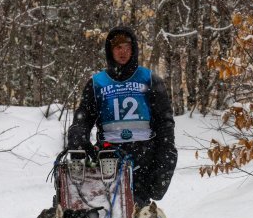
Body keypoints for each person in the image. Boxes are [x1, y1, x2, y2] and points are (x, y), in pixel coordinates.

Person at [68, 26, 178, 206]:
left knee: (136, 211)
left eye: (127, 47)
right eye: (118, 47)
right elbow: (83, 118)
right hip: (108, 157)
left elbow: (164, 122)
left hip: (143, 158)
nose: (123, 52)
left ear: (133, 49)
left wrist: (165, 157)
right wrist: (78, 137)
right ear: (110, 50)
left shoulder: (149, 79)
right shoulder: (97, 83)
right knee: (108, 210)